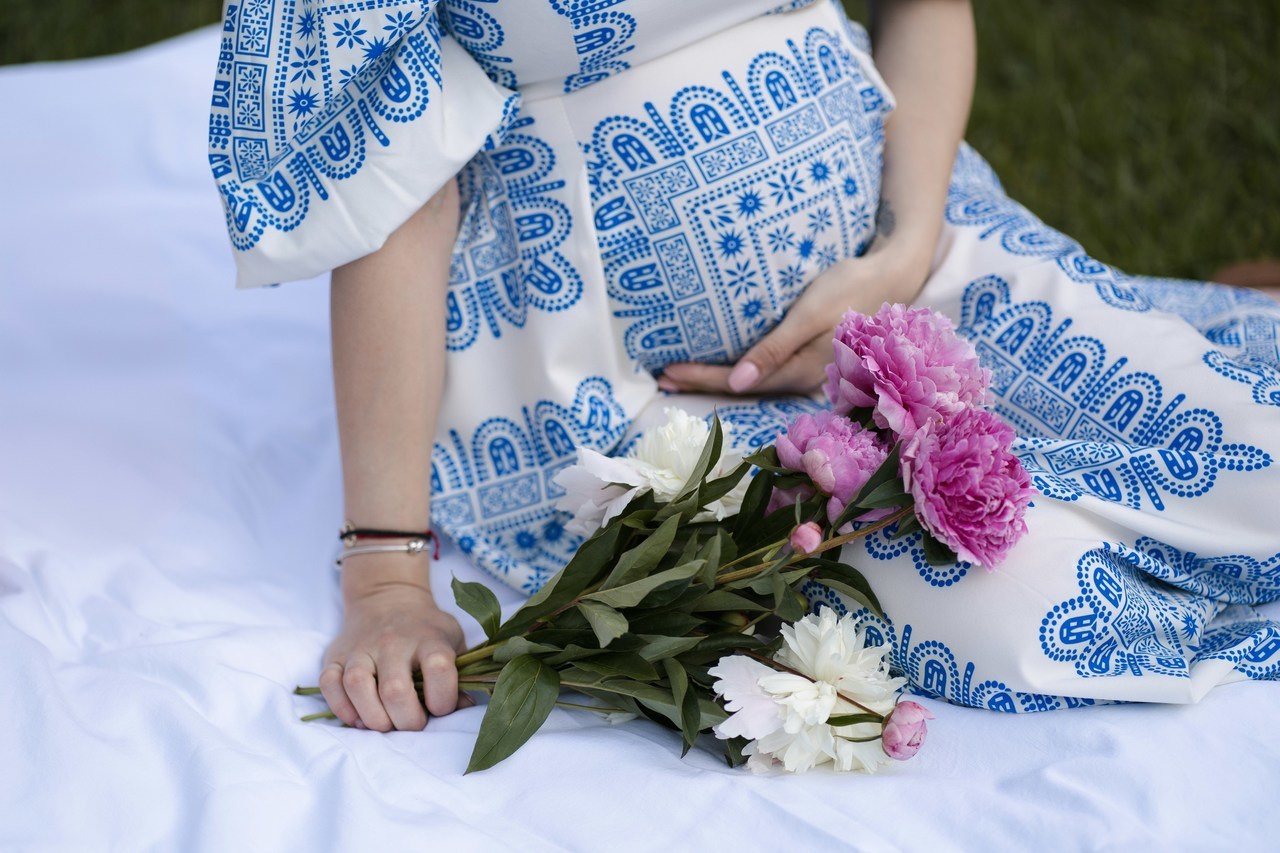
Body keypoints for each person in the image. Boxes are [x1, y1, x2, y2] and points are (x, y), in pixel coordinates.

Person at [208, 0, 1280, 731]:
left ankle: (1217, 320)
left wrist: (904, 247)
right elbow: (387, 174)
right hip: (622, 392)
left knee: (1259, 459)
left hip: (907, 252)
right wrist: (386, 572)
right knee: (1058, 615)